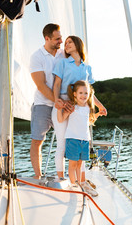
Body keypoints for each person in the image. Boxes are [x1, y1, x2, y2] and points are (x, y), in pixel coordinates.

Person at [51, 36, 107, 180]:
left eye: (69, 41)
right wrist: (57, 101)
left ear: (77, 44)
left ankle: (81, 181)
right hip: (64, 103)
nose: (66, 44)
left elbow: (88, 93)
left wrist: (100, 106)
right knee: (63, 144)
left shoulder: (87, 68)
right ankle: (61, 179)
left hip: (80, 106)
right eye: (65, 43)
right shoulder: (62, 63)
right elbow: (57, 84)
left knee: (80, 141)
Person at [29, 23, 64, 179]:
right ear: (47, 38)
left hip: (62, 104)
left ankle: (65, 174)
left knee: (66, 140)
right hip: (42, 105)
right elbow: (41, 85)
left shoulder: (64, 54)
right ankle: (38, 176)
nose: (61, 41)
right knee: (37, 141)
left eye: (61, 37)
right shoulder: (36, 57)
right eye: (57, 39)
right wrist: (57, 101)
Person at [57, 80, 103, 194]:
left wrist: (98, 114)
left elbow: (89, 122)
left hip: (85, 140)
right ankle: (73, 185)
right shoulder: (72, 106)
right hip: (73, 139)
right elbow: (61, 119)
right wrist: (59, 109)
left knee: (80, 164)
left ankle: (80, 184)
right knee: (72, 164)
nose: (83, 96)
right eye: (81, 93)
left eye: (86, 93)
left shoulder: (88, 107)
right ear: (75, 94)